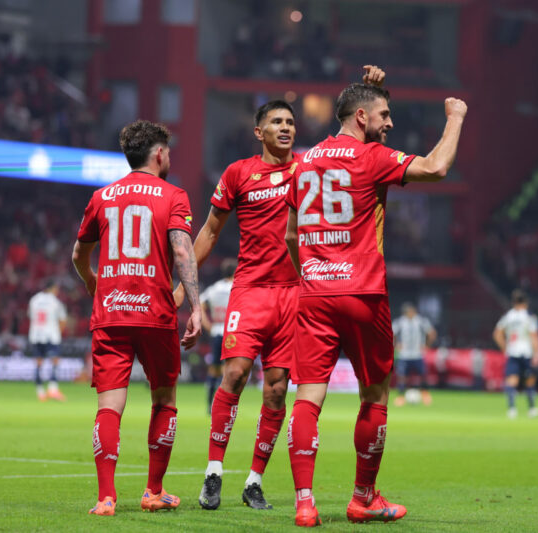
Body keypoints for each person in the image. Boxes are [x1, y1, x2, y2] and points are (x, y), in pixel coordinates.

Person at [175, 65, 387, 512]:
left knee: (276, 389)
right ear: (259, 131)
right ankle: (213, 472)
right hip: (250, 289)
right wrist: (182, 291)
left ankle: (254, 481)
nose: (286, 127)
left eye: (290, 121)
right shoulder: (238, 173)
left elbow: (358, 141)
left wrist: (371, 93)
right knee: (234, 373)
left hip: (297, 294)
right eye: (276, 121)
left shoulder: (309, 167)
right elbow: (209, 232)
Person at [284, 82, 467, 526]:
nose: (390, 123)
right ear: (361, 117)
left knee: (308, 396)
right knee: (376, 393)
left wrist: (311, 273)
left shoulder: (303, 162)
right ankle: (363, 497)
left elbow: (290, 234)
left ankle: (304, 504)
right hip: (362, 293)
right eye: (384, 115)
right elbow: (437, 167)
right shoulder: (373, 157)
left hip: (314, 293)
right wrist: (456, 117)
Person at [72, 119, 202, 516]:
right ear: (159, 154)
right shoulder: (174, 195)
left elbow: (78, 255)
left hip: (111, 313)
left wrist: (92, 281)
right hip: (155, 313)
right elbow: (182, 251)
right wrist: (196, 307)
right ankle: (153, 491)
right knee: (164, 400)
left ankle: (106, 498)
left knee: (109, 405)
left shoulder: (102, 196)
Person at [493, 289, 538, 419]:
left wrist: (504, 348)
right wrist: (537, 354)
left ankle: (512, 409)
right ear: (525, 302)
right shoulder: (529, 316)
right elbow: (534, 336)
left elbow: (497, 334)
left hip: (512, 351)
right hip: (526, 352)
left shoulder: (508, 316)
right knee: (529, 380)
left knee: (511, 380)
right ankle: (532, 409)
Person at [199, 258, 236, 413]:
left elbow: (200, 304)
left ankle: (210, 404)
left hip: (216, 331)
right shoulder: (236, 288)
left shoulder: (214, 288)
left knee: (214, 369)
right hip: (233, 332)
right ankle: (226, 405)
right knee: (230, 369)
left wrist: (207, 324)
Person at [28, 281, 68, 401]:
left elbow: (30, 316)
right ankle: (52, 389)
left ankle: (40, 392)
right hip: (51, 335)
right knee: (55, 361)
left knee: (38, 362)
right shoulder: (55, 302)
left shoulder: (34, 300)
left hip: (36, 334)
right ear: (53, 288)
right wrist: (58, 332)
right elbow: (63, 320)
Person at [392, 303, 436, 406]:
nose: (410, 313)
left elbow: (432, 333)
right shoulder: (400, 322)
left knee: (423, 375)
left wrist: (427, 345)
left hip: (418, 354)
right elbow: (391, 333)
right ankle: (400, 396)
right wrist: (395, 344)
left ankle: (425, 394)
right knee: (402, 376)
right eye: (408, 311)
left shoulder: (421, 321)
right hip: (404, 355)